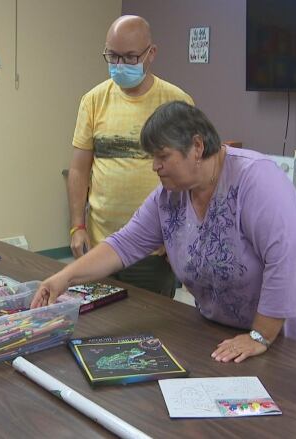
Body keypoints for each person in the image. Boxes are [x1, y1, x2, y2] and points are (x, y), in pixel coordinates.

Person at [33, 101, 296, 363]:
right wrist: (65, 276)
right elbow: (123, 245)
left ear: (198, 147)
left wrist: (260, 336)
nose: (155, 167)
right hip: (228, 322)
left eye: (162, 157)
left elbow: (285, 259)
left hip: (287, 321)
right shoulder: (169, 195)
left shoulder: (257, 179)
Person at [67, 15, 193, 298]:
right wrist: (77, 226)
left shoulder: (176, 102)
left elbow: (192, 178)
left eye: (130, 56)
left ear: (151, 54)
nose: (120, 64)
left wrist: (179, 236)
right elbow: (78, 170)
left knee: (150, 331)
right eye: (113, 55)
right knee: (98, 327)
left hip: (153, 251)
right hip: (100, 246)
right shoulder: (94, 101)